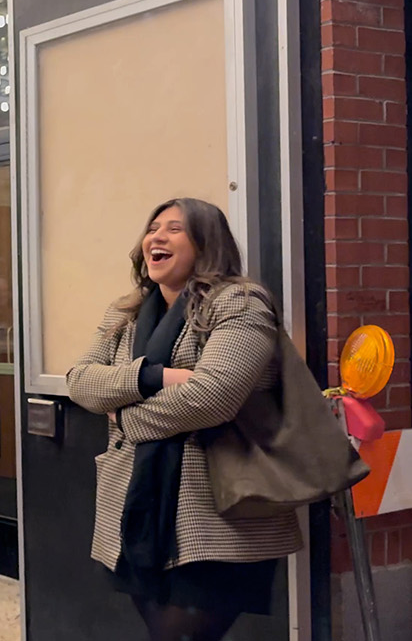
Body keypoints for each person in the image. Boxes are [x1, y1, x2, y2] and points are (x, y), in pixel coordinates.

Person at [66, 198, 302, 641]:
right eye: (153, 228)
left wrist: (124, 416)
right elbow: (80, 381)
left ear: (206, 242)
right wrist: (154, 375)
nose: (156, 237)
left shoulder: (241, 303)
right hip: (139, 508)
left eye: (174, 229)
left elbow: (213, 396)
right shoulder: (127, 311)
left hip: (215, 512)